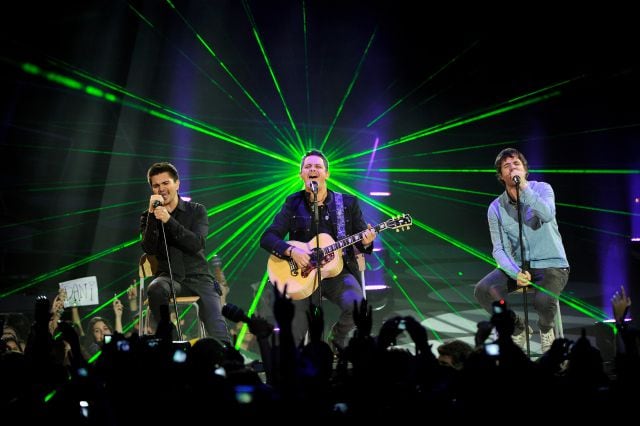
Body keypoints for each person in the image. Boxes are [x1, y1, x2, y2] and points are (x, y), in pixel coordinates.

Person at [259, 149, 377, 352]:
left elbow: (360, 241)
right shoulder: (293, 203)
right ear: (301, 175)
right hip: (301, 276)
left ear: (326, 174)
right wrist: (291, 251)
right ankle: (293, 373)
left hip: (338, 274)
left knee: (359, 309)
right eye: (308, 167)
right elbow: (268, 238)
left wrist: (366, 242)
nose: (313, 169)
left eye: (318, 167)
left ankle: (333, 345)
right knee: (293, 333)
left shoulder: (347, 203)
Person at [474, 148, 569, 354]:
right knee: (482, 290)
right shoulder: (495, 208)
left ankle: (546, 331)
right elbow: (498, 249)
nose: (512, 168)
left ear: (525, 170)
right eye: (506, 167)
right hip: (520, 267)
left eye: (516, 164)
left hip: (552, 264)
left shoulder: (543, 189)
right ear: (501, 176)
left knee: (542, 300)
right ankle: (517, 327)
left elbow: (547, 214)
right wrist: (515, 272)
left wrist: (525, 188)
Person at [140, 162, 230, 345]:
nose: (161, 189)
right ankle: (173, 343)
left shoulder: (196, 211)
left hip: (199, 277)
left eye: (166, 183)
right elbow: (149, 248)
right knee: (155, 288)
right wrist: (152, 216)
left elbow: (196, 244)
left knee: (217, 327)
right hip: (169, 278)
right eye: (156, 185)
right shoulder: (148, 217)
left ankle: (227, 362)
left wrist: (168, 220)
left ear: (177, 184)